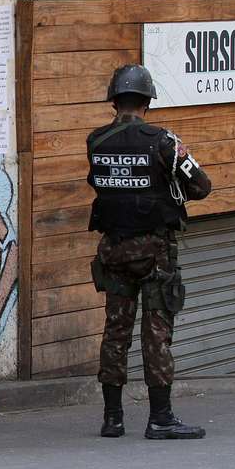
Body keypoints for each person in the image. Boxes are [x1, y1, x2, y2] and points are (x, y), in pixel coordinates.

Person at [87, 64, 212, 440]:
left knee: (115, 332)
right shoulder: (163, 141)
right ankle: (160, 418)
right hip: (154, 253)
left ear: (114, 101)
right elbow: (202, 186)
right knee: (156, 334)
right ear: (147, 102)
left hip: (113, 249)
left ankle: (113, 418)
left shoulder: (96, 141)